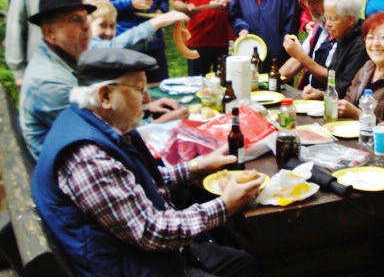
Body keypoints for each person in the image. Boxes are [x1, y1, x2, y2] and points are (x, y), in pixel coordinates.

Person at [32, 48, 263, 277]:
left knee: (245, 263)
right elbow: (151, 231)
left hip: (144, 254)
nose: (147, 99)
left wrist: (197, 166)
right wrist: (225, 205)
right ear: (104, 96)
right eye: (139, 89)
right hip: (133, 265)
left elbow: (137, 180)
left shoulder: (98, 123)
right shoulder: (87, 157)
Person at [20, 0, 186, 159]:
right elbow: (99, 131)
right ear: (50, 32)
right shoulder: (51, 82)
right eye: (75, 20)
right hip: (68, 169)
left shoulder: (63, 56)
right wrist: (156, 124)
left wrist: (145, 107)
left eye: (85, 18)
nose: (86, 27)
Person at [301, 0, 369, 99]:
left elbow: (344, 87)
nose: (327, 24)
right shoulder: (344, 34)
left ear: (350, 19)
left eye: (333, 19)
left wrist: (321, 95)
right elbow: (333, 76)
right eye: (326, 18)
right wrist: (320, 92)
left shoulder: (361, 44)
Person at [279, 0, 341, 89]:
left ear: (333, 0)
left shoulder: (345, 32)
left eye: (316, 1)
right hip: (309, 98)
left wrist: (299, 55)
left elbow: (334, 78)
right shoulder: (318, 28)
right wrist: (272, 82)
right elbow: (296, 61)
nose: (311, 7)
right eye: (308, 2)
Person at [86, 0, 189, 50]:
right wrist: (156, 22)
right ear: (86, 25)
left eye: (112, 26)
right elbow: (112, 46)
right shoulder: (87, 45)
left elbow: (127, 45)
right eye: (102, 26)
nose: (108, 32)